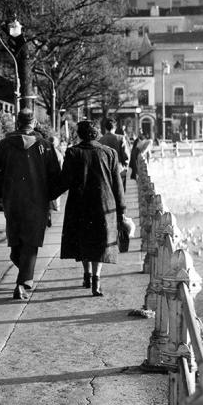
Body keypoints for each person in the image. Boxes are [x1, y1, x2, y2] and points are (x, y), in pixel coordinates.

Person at [0, 109, 62, 300]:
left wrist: (2, 194)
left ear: (17, 122)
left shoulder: (3, 145)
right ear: (34, 122)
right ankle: (23, 282)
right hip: (37, 200)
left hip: (12, 199)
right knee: (31, 242)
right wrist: (49, 196)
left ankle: (23, 275)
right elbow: (56, 175)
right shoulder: (44, 146)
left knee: (16, 242)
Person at [57, 120, 126, 296]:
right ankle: (96, 280)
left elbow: (64, 181)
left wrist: (48, 194)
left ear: (79, 134)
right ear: (96, 134)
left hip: (79, 204)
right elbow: (117, 185)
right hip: (104, 204)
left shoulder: (72, 153)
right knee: (100, 242)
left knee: (83, 240)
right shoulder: (109, 153)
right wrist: (122, 209)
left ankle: (86, 275)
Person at [98, 118, 130, 189]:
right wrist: (125, 167)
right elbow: (126, 156)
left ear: (105, 128)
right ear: (114, 127)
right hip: (119, 169)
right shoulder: (121, 138)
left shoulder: (100, 140)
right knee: (120, 192)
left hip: (105, 171)